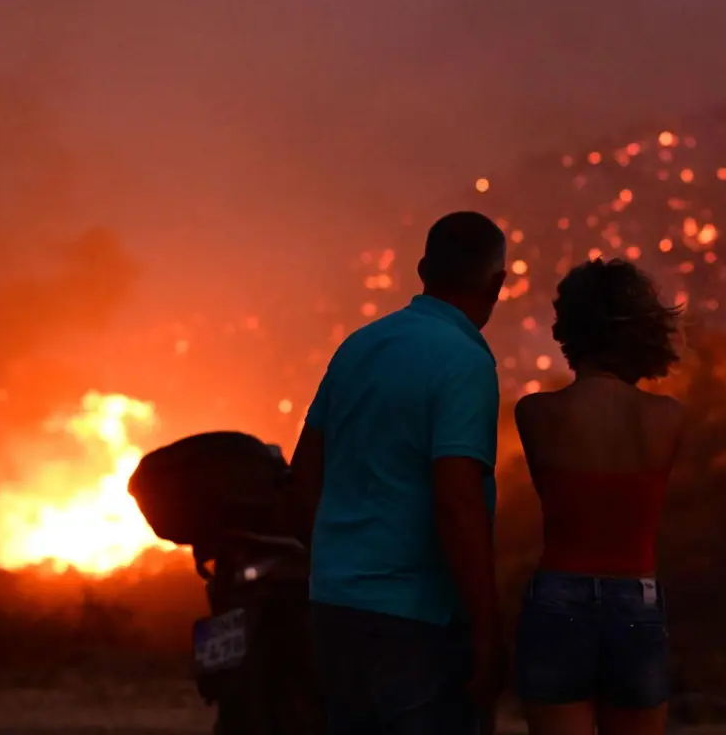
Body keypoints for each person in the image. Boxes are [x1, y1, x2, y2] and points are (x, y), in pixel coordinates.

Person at [290, 211, 509, 735]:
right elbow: (457, 502)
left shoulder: (359, 347)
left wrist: (335, 567)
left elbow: (303, 479)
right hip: (418, 623)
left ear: (422, 270)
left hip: (335, 611)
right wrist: (487, 627)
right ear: (497, 283)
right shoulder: (465, 363)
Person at [513, 258, 685, 735]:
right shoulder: (667, 417)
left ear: (568, 328)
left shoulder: (535, 413)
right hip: (635, 601)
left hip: (557, 599)